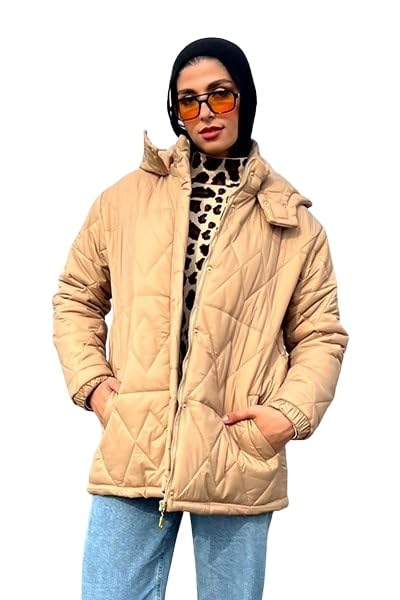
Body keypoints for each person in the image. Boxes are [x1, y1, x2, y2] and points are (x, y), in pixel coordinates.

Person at [52, 37, 349, 600]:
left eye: (220, 94)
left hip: (238, 448)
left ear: (245, 98)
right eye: (189, 101)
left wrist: (285, 416)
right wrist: (95, 386)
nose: (206, 112)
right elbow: (76, 297)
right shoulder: (122, 202)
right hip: (137, 441)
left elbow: (320, 335)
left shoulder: (294, 224)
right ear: (176, 111)